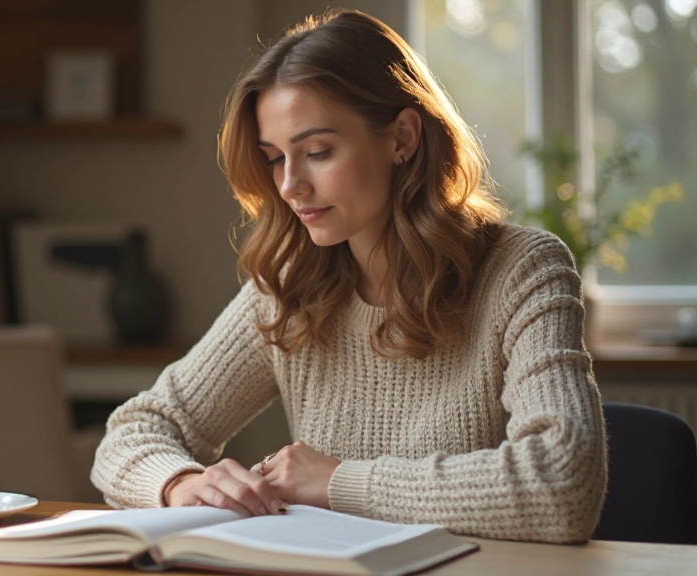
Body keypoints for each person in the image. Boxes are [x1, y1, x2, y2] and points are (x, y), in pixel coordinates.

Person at [90, 9, 606, 544]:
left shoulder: (524, 270)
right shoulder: (288, 289)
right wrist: (181, 483)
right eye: (274, 158)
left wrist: (337, 482)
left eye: (317, 152)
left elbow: (563, 483)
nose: (290, 185)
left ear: (403, 137)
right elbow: (132, 431)